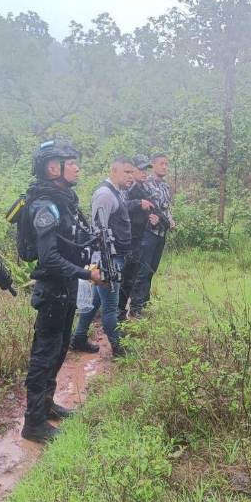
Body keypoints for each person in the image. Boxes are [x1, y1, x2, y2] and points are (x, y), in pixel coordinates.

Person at [19, 139, 101, 443]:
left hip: (66, 290)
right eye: (72, 162)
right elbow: (49, 257)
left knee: (59, 350)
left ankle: (47, 405)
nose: (77, 167)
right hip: (53, 292)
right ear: (53, 168)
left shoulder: (63, 198)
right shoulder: (45, 204)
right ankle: (33, 423)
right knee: (44, 356)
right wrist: (85, 274)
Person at [71, 156, 135, 357]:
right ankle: (118, 348)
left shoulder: (118, 193)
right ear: (114, 171)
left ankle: (79, 338)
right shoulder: (105, 195)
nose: (130, 177)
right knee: (110, 307)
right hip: (107, 259)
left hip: (116, 257)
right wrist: (104, 265)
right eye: (127, 172)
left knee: (97, 300)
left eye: (132, 172)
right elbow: (98, 232)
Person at [129, 153, 175, 317]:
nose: (164, 167)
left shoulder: (165, 186)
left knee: (151, 270)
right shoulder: (145, 184)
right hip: (148, 233)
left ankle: (144, 302)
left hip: (161, 233)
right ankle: (135, 307)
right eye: (161, 163)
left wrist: (171, 220)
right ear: (154, 165)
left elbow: (165, 208)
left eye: (166, 164)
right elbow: (141, 208)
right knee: (143, 270)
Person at [118, 154, 158, 322]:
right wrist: (138, 204)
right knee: (123, 278)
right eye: (140, 169)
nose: (144, 173)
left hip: (138, 240)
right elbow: (119, 207)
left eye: (146, 169)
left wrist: (152, 218)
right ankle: (117, 313)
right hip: (125, 241)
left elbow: (144, 213)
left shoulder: (143, 189)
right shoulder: (126, 189)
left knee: (131, 277)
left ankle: (123, 312)